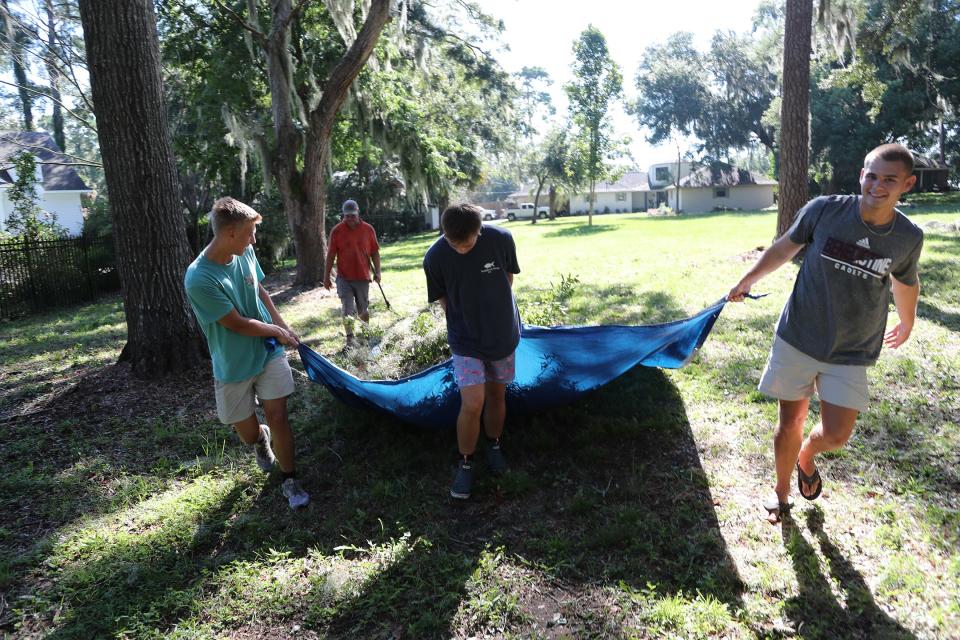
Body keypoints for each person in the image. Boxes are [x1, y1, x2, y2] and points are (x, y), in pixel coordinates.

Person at [728, 143, 923, 523]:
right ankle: (781, 495)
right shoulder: (825, 210)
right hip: (800, 334)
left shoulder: (908, 236)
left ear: (907, 184)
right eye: (872, 175)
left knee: (836, 435)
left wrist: (908, 320)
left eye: (889, 180)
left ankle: (807, 455)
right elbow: (786, 247)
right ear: (861, 175)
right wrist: (747, 280)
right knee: (790, 423)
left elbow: (905, 280)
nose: (877, 185)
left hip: (852, 348)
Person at [184, 197, 310, 509]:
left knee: (278, 415)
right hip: (233, 363)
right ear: (229, 234)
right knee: (246, 429)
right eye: (250, 233)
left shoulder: (244, 250)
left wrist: (283, 325)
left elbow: (260, 291)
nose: (254, 239)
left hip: (267, 352)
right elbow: (237, 324)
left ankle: (289, 479)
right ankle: (259, 440)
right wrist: (277, 332)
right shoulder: (199, 277)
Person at [423, 204, 521, 499]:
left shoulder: (501, 239)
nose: (462, 248)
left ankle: (493, 444)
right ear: (445, 235)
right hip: (465, 340)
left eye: (468, 242)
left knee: (496, 395)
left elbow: (508, 280)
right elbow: (443, 300)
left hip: (502, 334)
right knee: (472, 403)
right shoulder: (435, 257)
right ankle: (466, 462)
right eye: (455, 243)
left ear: (480, 230)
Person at [323, 199, 381, 346]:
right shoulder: (337, 231)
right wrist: (326, 277)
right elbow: (330, 255)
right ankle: (350, 339)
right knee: (347, 308)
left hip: (362, 276)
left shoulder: (368, 229)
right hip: (344, 277)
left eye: (352, 215)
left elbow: (375, 253)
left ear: (358, 213)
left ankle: (366, 333)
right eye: (346, 216)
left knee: (363, 309)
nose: (349, 219)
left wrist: (378, 272)